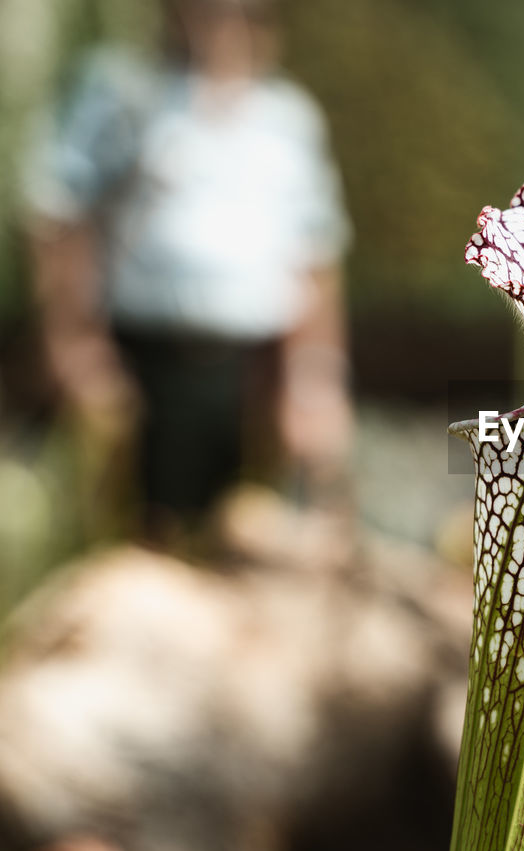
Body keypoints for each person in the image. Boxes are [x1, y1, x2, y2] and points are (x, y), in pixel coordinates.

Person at [22, 0, 352, 543]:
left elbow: (316, 255)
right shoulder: (125, 94)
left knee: (243, 542)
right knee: (139, 543)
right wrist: (72, 341)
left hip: (251, 368)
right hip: (145, 363)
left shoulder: (289, 120)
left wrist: (315, 379)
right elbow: (61, 216)